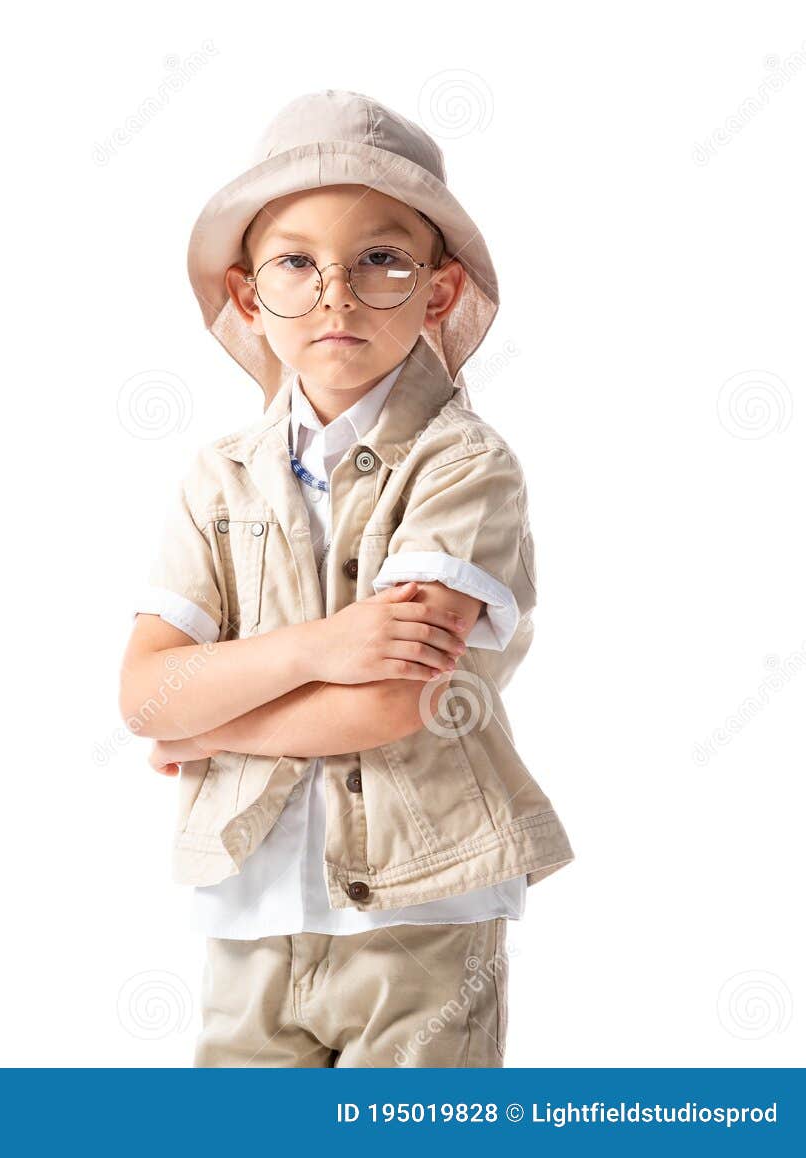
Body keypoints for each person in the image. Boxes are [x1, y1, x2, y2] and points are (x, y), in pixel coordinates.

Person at [117, 90, 574, 1067]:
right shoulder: (218, 477)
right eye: (295, 262)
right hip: (249, 911)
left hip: (421, 911)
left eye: (380, 259)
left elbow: (392, 702)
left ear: (438, 292)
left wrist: (210, 718)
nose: (335, 293)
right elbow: (144, 694)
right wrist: (318, 647)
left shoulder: (460, 465)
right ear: (247, 296)